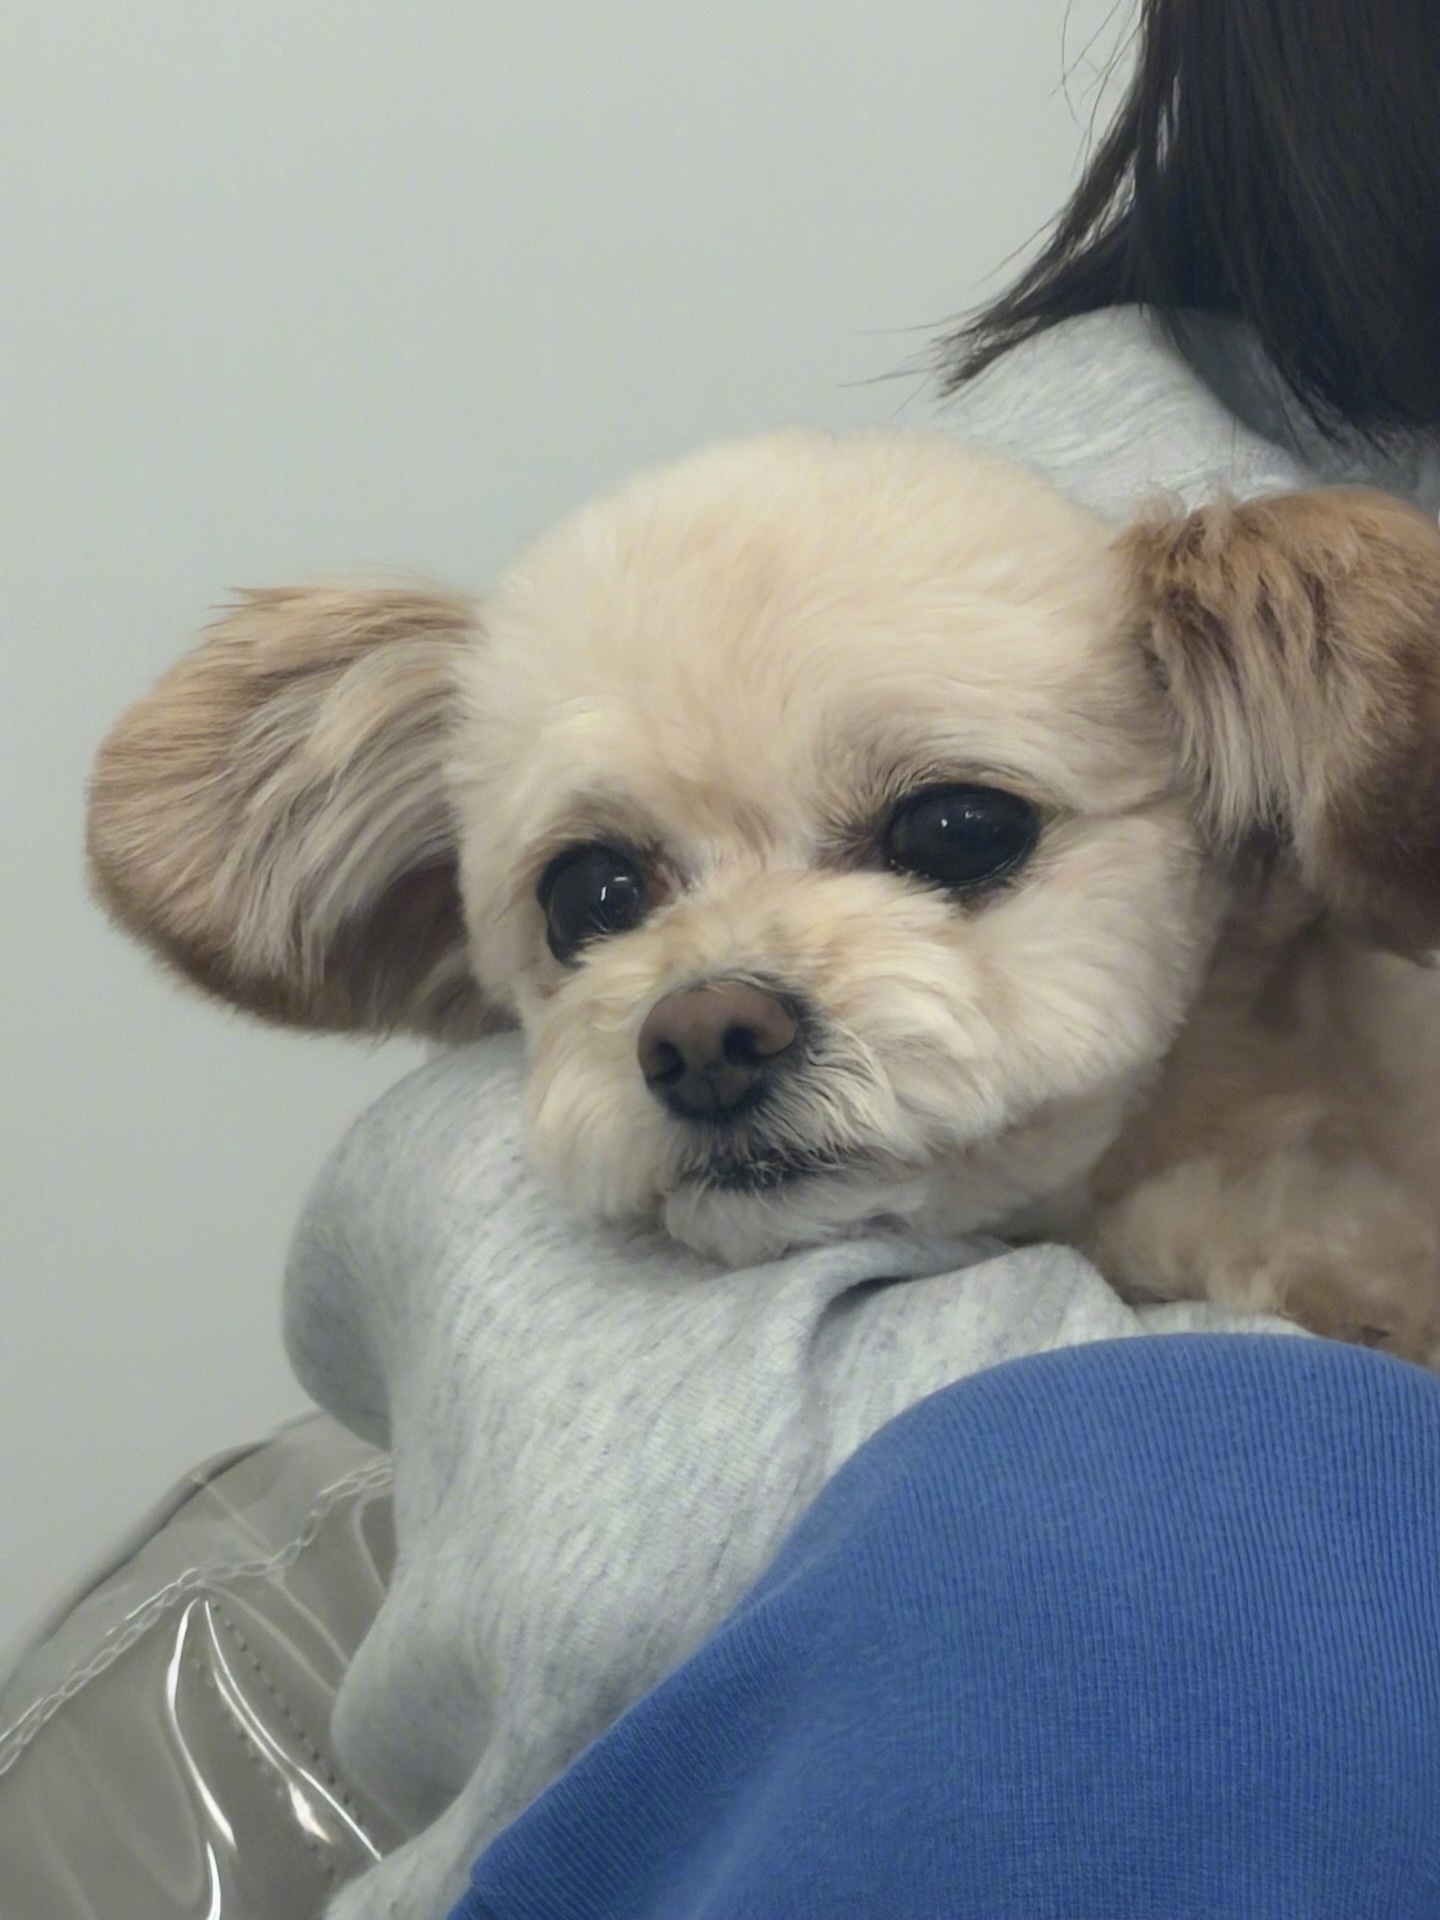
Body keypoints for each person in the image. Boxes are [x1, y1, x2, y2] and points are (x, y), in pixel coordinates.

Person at [281, 3, 1440, 1914]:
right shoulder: (1051, 518)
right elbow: (592, 1505)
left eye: (948, 837)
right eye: (598, 899)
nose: (704, 1009)